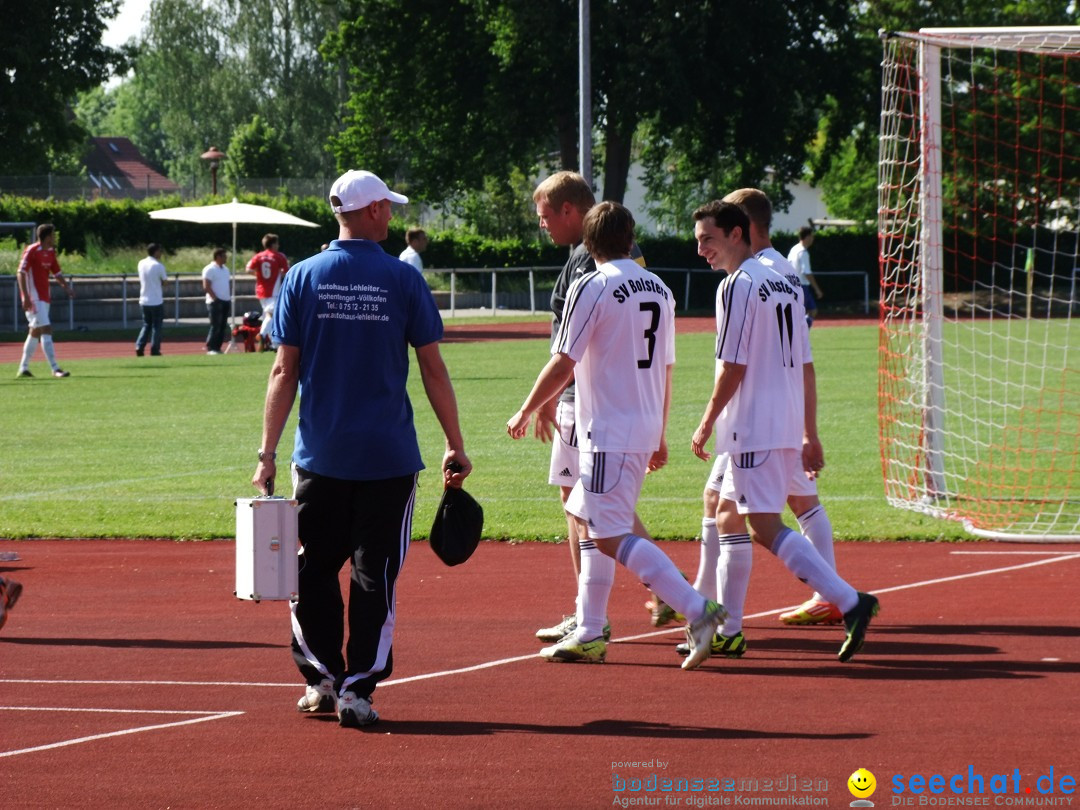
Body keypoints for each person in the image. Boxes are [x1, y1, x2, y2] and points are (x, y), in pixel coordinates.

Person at [251, 169, 472, 729]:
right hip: (389, 459)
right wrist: (455, 443)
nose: (393, 215)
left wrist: (266, 453)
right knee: (376, 575)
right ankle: (359, 689)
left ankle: (323, 678)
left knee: (312, 568)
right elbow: (432, 367)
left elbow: (283, 369)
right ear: (370, 210)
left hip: (319, 456)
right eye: (388, 207)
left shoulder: (300, 276)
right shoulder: (401, 279)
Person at [507, 201, 724, 670]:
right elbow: (666, 368)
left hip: (607, 427)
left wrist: (527, 406)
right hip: (638, 424)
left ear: (589, 243)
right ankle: (589, 630)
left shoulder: (593, 285)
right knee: (584, 512)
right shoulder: (661, 289)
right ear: (630, 239)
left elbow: (564, 359)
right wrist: (660, 432)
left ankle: (697, 609)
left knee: (607, 533)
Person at [690, 200, 877, 663]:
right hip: (781, 419)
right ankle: (728, 629)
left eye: (708, 239)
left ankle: (850, 601)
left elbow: (733, 365)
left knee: (763, 524)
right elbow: (801, 361)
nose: (701, 251)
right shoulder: (784, 281)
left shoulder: (738, 285)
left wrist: (707, 418)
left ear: (737, 234)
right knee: (728, 514)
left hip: (755, 422)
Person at [528, 172, 658, 645]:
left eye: (545, 216)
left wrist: (539, 402)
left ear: (569, 211)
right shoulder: (607, 255)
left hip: (586, 400)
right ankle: (653, 590)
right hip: (596, 399)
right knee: (596, 503)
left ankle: (597, 613)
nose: (542, 225)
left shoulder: (591, 260)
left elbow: (576, 342)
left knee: (585, 504)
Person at [15, 223, 74, 378]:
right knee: (46, 329)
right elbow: (20, 273)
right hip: (34, 298)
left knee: (34, 332)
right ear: (47, 236)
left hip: (44, 297)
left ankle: (23, 368)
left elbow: (57, 272)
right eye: (53, 235)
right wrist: (26, 296)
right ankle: (55, 368)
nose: (54, 238)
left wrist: (66, 287)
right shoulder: (32, 251)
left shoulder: (51, 252)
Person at [246, 233, 289, 351]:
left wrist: (258, 275)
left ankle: (273, 344)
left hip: (260, 290)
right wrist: (277, 275)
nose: (278, 245)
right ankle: (263, 334)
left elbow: (248, 269)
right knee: (272, 315)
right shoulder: (279, 256)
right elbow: (286, 271)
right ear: (274, 244)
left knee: (268, 315)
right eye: (277, 243)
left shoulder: (258, 256)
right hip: (274, 291)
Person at [135, 242, 168, 357]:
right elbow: (164, 281)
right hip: (156, 300)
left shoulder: (141, 263)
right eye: (160, 251)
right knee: (156, 326)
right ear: (156, 251)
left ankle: (139, 345)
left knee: (146, 325)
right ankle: (155, 349)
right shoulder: (158, 265)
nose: (161, 253)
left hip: (144, 299)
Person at [787, 225, 824, 326]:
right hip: (802, 286)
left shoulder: (794, 249)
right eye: (812, 236)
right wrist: (817, 289)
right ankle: (801, 336)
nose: (813, 239)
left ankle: (801, 335)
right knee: (808, 312)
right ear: (807, 237)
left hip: (791, 285)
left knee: (809, 311)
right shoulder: (803, 252)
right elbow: (806, 272)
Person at [201, 247, 231, 354]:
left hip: (225, 300)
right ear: (218, 256)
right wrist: (215, 298)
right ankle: (211, 347)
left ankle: (218, 347)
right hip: (215, 301)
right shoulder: (209, 269)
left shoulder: (226, 269)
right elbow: (206, 285)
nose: (226, 258)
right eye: (224, 256)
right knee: (215, 325)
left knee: (222, 325)